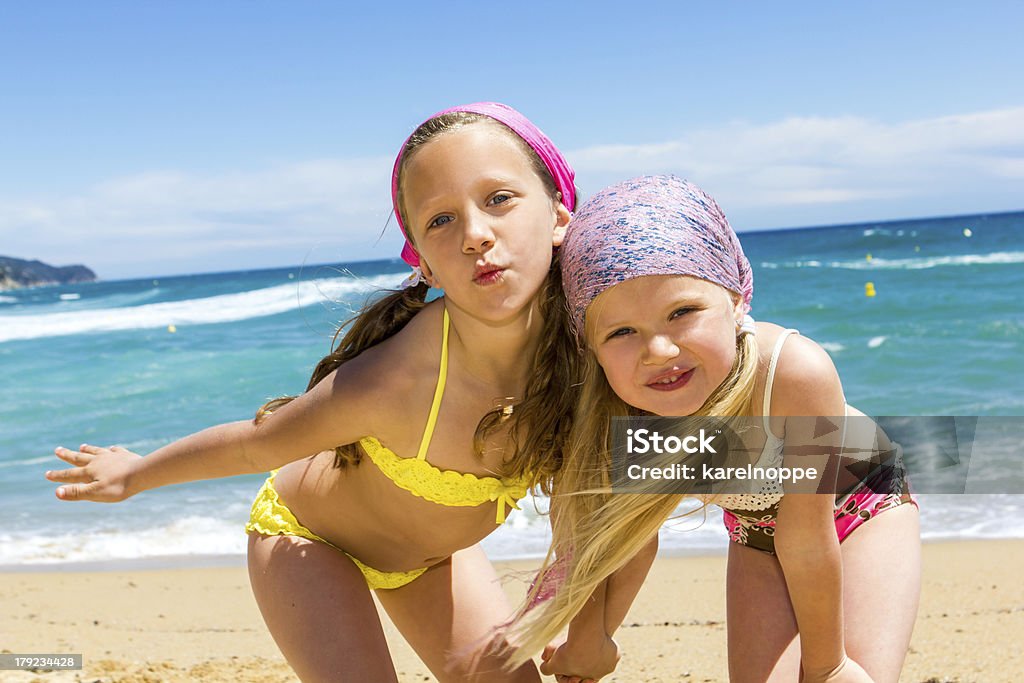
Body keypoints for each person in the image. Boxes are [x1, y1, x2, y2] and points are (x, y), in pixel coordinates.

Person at [44, 102, 580, 683]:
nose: (476, 234)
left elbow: (638, 490)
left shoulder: (601, 350)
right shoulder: (395, 380)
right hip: (308, 542)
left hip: (430, 561)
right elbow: (259, 444)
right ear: (423, 264)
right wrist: (137, 473)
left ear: (558, 213)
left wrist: (595, 629)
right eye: (440, 220)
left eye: (498, 199)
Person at [509, 175, 921, 683]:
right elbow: (619, 536)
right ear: (589, 347)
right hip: (754, 531)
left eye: (682, 312)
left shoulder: (793, 373)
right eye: (621, 332)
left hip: (860, 507)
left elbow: (807, 539)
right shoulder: (623, 407)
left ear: (736, 297)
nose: (658, 351)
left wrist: (827, 665)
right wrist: (590, 640)